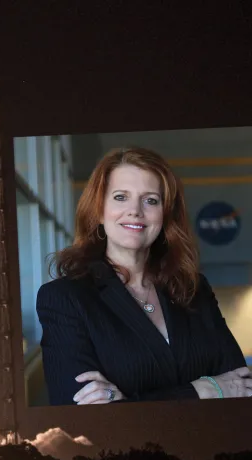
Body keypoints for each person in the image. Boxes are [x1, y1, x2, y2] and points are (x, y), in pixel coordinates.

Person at [36, 146, 250, 405]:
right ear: (99, 211)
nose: (135, 211)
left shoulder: (194, 288)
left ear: (165, 215)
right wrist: (201, 390)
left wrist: (127, 403)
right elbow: (76, 412)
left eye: (150, 200)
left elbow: (242, 386)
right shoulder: (64, 298)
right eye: (120, 197)